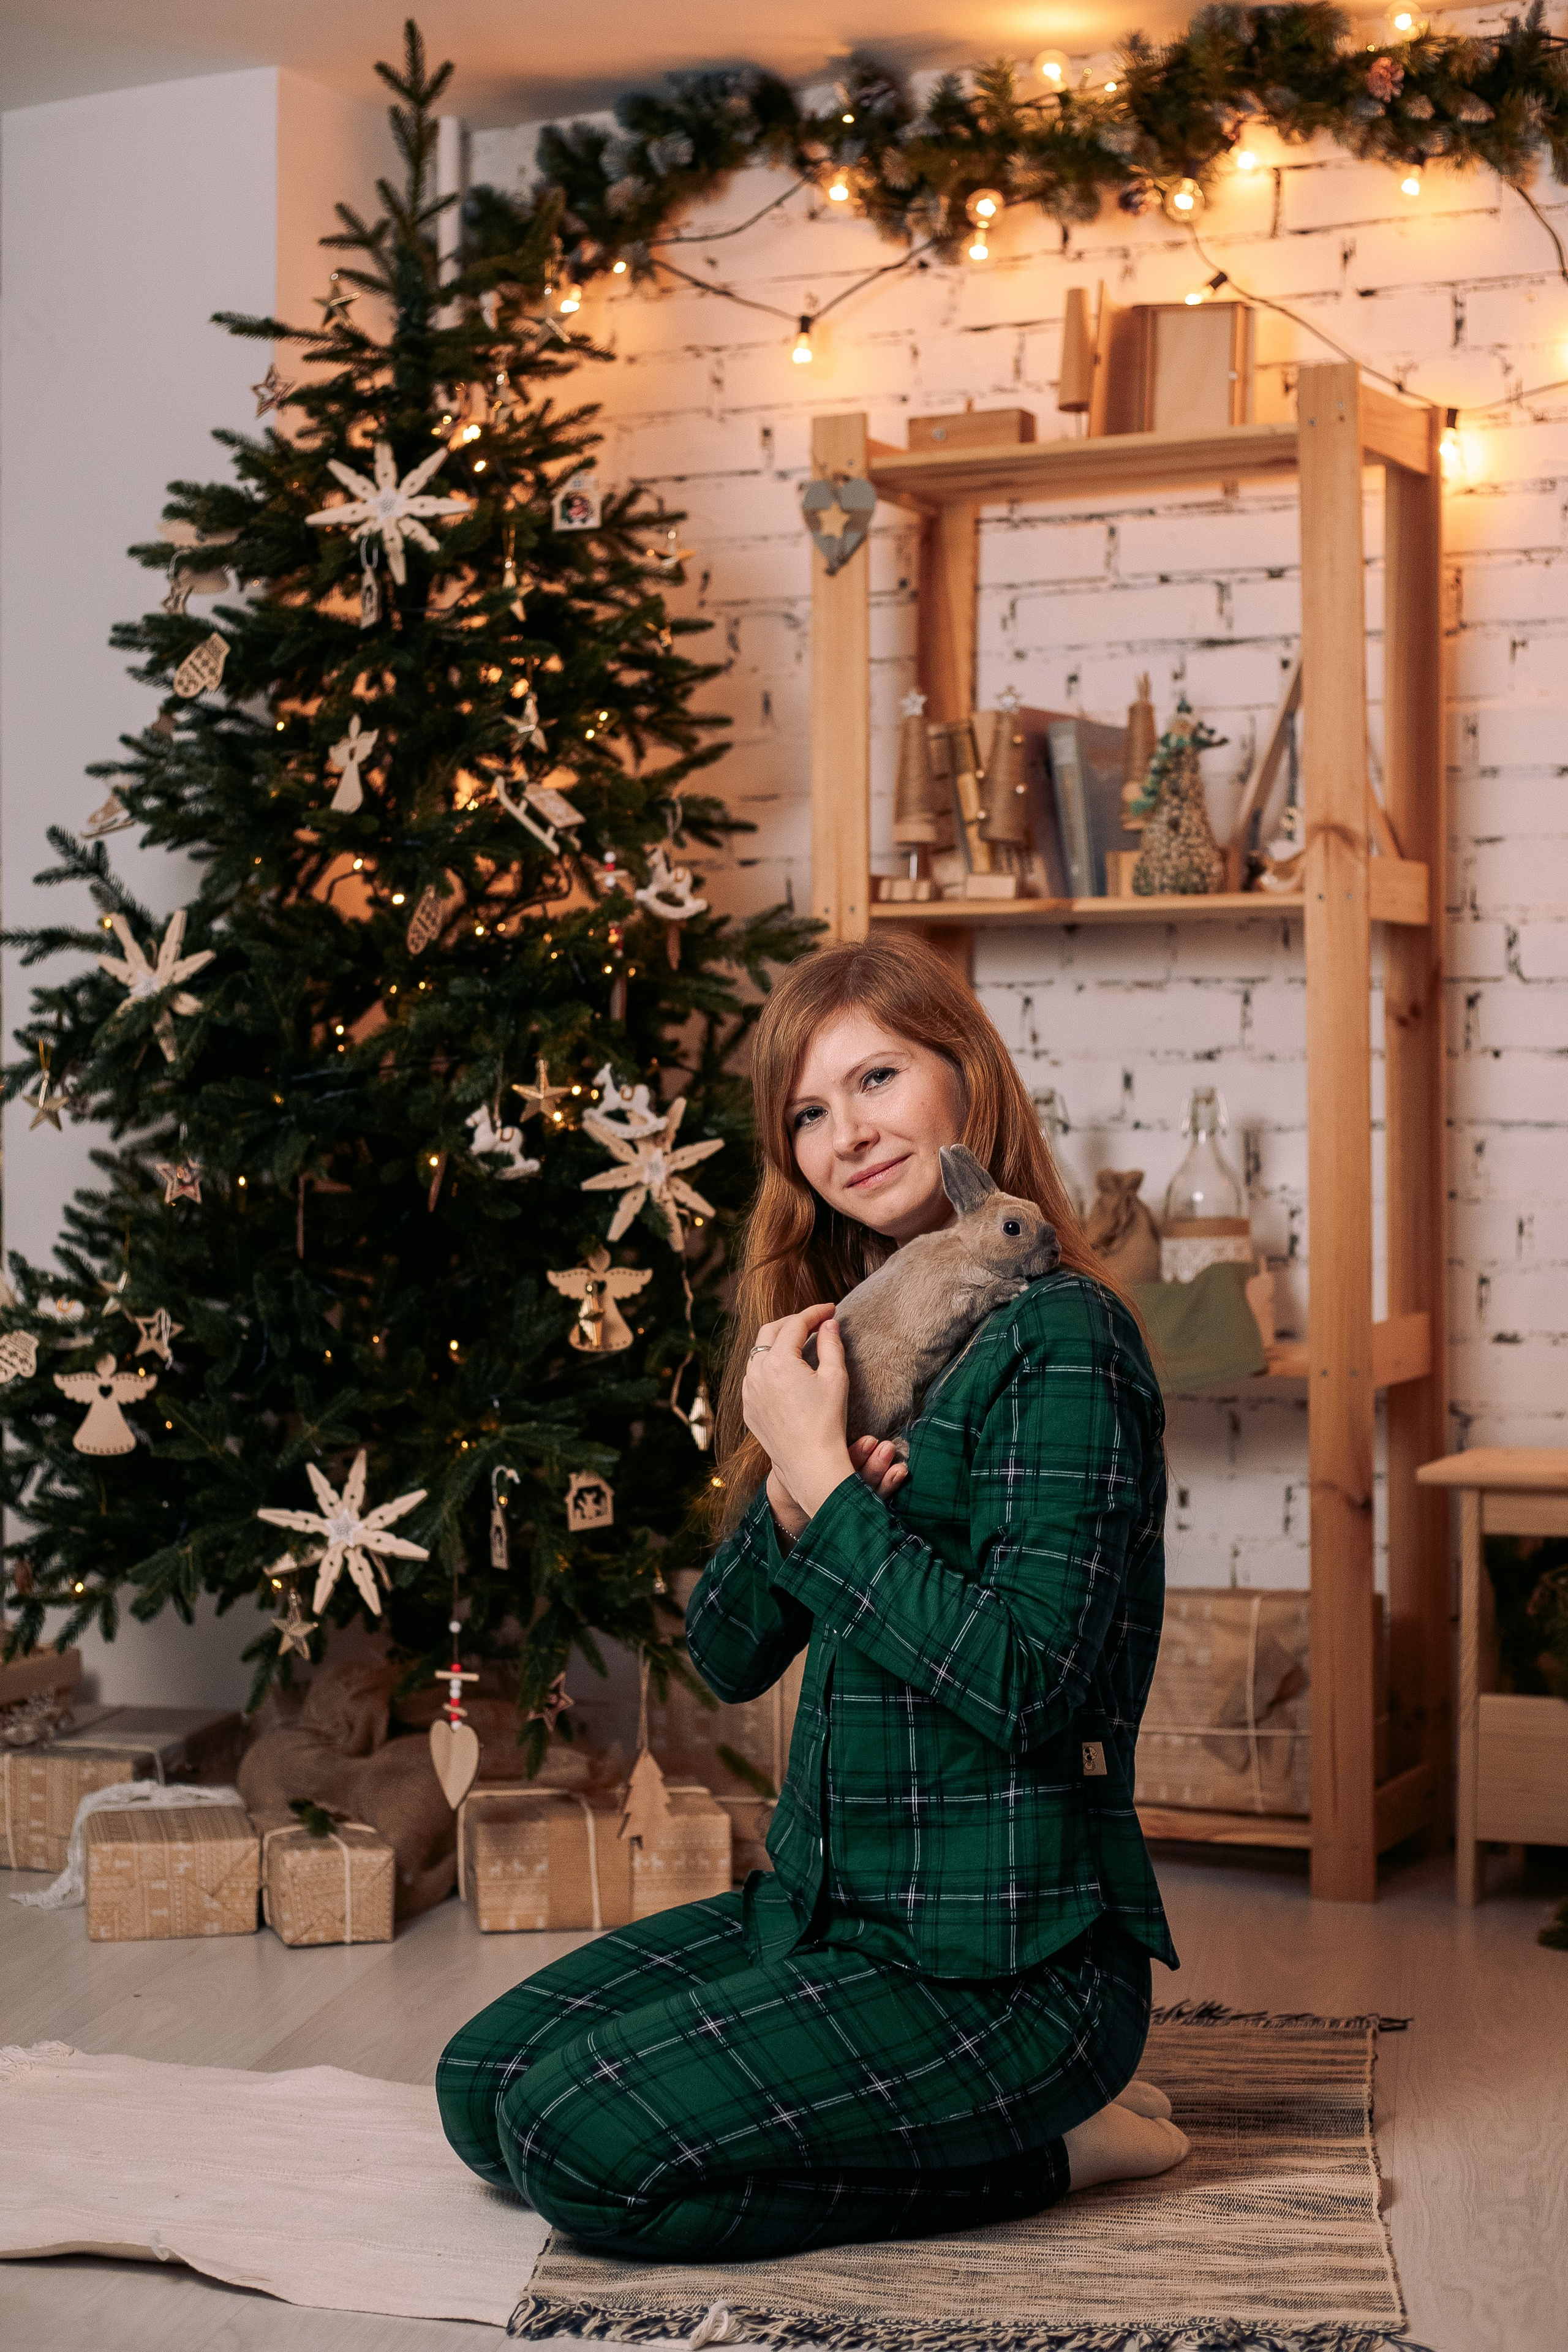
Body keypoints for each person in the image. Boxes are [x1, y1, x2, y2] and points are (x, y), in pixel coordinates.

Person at [437, 933, 1185, 2258]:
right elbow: (724, 1655)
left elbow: (1025, 1688)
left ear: (965, 1081)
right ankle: (951, 2109)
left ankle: (1051, 2145)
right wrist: (791, 1494)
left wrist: (828, 1494)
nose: (846, 1131)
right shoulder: (852, 1338)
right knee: (483, 2091)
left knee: (576, 2154)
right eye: (807, 1112)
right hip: (823, 1914)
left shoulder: (1060, 1338)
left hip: (1004, 1972)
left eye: (877, 1079)